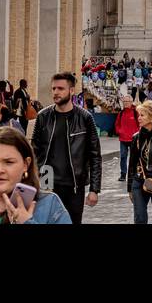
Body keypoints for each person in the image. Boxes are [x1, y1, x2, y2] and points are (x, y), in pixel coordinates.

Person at [30, 72, 102, 225]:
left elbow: (95, 155)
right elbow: (33, 152)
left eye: (61, 88)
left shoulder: (85, 117)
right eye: (54, 88)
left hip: (74, 185)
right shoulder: (43, 116)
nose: (56, 92)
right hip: (47, 183)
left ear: (71, 90)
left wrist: (94, 189)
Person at [114, 94, 140, 187]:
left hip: (133, 138)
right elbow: (117, 124)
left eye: (127, 102)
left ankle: (133, 174)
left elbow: (140, 123)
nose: (125, 103)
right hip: (123, 139)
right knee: (123, 156)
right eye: (124, 102)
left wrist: (138, 134)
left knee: (134, 158)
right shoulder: (121, 113)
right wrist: (119, 131)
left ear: (131, 102)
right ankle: (123, 174)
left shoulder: (135, 112)